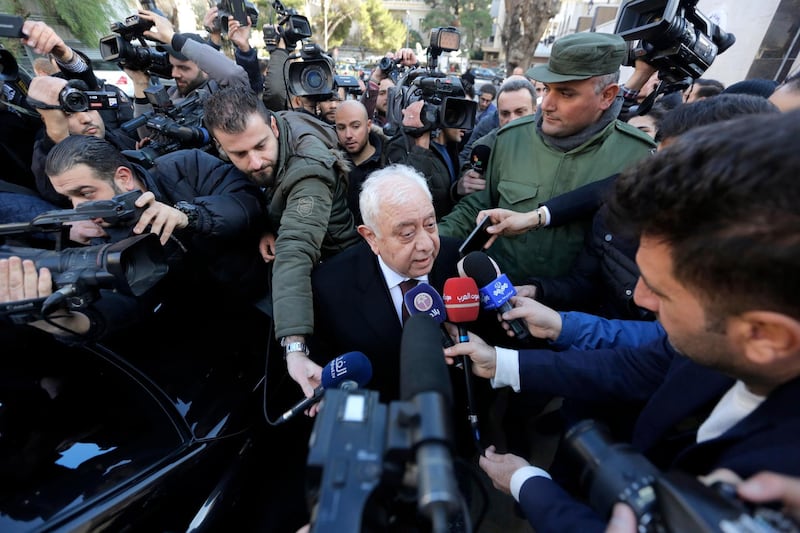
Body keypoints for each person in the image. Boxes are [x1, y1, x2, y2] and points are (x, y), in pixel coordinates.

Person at [444, 110, 800, 532]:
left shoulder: (778, 482)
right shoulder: (722, 337)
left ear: (766, 336)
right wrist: (501, 362)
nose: (640, 297)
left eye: (662, 291)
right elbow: (643, 364)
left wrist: (527, 483)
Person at [0, 134, 269, 342]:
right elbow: (127, 303)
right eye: (69, 198)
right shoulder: (104, 235)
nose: (77, 209)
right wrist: (70, 323)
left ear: (124, 177)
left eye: (86, 192)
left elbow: (248, 202)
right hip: (220, 326)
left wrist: (190, 216)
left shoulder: (185, 165)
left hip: (268, 286)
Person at [437, 32, 655, 283]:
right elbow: (477, 208)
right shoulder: (510, 139)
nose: (547, 104)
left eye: (566, 93)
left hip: (578, 315)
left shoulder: (638, 157)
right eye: (548, 88)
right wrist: (432, 241)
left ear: (607, 95)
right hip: (500, 296)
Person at [202, 85, 361, 403]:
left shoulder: (309, 170)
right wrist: (265, 223)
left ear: (273, 126)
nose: (256, 162)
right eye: (239, 155)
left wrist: (294, 347)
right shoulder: (268, 135)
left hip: (339, 275)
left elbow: (295, 250)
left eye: (260, 146)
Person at [310, 163, 462, 404]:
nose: (426, 245)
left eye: (430, 224)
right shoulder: (329, 287)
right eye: (407, 234)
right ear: (371, 237)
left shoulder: (460, 261)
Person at [456, 76, 538, 195]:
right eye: (505, 113)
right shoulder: (484, 144)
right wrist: (467, 176)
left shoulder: (552, 142)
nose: (512, 120)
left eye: (520, 112)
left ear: (535, 111)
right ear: (497, 113)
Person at [333, 99, 387, 222]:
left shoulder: (390, 160)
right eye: (341, 128)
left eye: (355, 126)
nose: (348, 134)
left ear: (368, 126)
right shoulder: (332, 165)